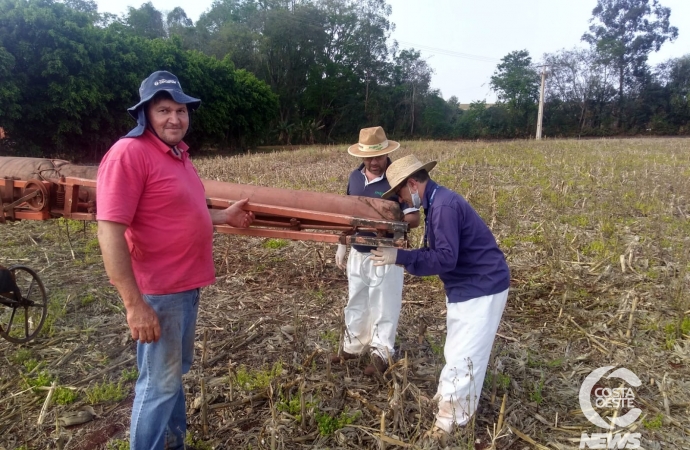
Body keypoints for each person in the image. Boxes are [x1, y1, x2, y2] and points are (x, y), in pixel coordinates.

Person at [96, 70, 254, 450]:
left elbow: (182, 212)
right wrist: (134, 305)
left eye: (181, 110)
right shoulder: (129, 154)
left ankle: (173, 444)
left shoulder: (178, 155)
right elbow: (109, 231)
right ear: (145, 114)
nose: (175, 119)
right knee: (158, 384)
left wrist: (221, 217)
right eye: (164, 109)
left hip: (185, 288)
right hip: (159, 293)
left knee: (170, 378)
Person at [370, 154, 510, 438]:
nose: (403, 202)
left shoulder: (443, 207)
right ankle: (444, 399)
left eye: (400, 194)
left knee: (465, 354)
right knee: (455, 349)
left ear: (412, 183)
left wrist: (399, 256)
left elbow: (445, 258)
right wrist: (403, 256)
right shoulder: (437, 203)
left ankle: (451, 420)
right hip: (466, 285)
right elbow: (438, 253)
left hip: (481, 285)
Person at [332, 126, 419, 376]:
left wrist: (392, 221)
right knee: (356, 299)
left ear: (386, 154)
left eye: (378, 157)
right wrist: (342, 244)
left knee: (384, 303)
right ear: (361, 156)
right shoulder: (354, 178)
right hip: (358, 251)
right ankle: (353, 346)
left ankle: (382, 353)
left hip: (385, 253)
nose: (374, 162)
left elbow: (414, 218)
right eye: (369, 157)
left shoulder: (397, 178)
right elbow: (347, 214)